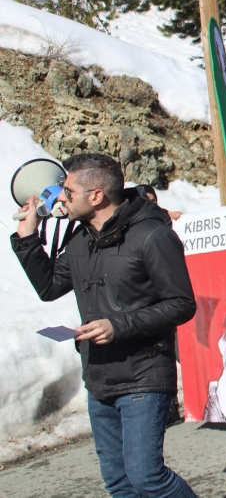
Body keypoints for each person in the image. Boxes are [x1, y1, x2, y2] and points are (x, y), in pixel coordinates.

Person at [11, 154, 198, 497]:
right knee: (118, 483)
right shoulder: (81, 240)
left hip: (143, 375)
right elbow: (49, 287)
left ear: (96, 196)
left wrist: (118, 326)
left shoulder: (152, 235)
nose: (60, 196)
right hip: (98, 377)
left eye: (68, 190)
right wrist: (27, 239)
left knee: (147, 478)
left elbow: (182, 304)